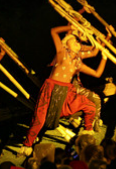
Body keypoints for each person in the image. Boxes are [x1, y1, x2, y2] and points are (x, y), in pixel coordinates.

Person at [18, 25, 109, 157]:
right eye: (74, 40)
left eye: (78, 42)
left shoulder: (78, 61)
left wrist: (105, 52)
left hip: (65, 93)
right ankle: (27, 145)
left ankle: (87, 131)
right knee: (39, 120)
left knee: (90, 106)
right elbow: (53, 31)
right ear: (66, 44)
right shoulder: (61, 53)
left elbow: (96, 70)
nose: (77, 42)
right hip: (50, 90)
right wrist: (71, 26)